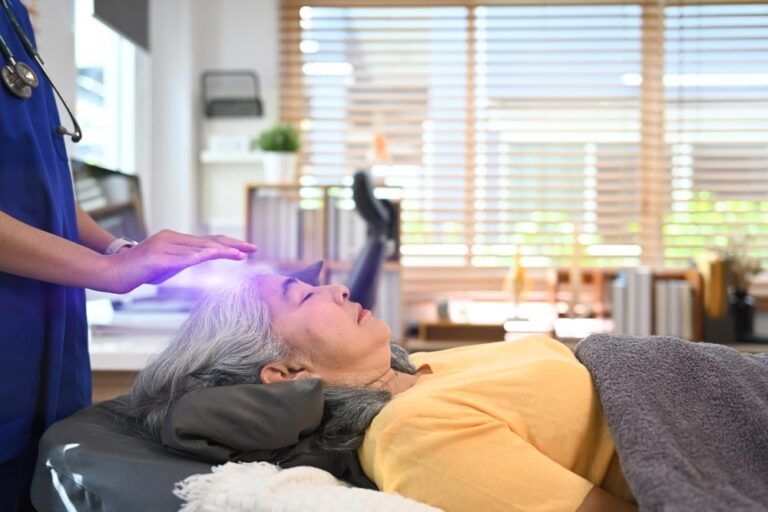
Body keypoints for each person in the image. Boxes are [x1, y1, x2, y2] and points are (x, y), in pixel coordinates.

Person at [0, 1, 256, 510]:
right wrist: (110, 270)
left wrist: (120, 248)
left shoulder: (15, 19)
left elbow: (41, 187)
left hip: (45, 335)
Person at [129, 269, 638, 512]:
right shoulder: (410, 432)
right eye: (305, 295)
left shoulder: (421, 367)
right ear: (284, 373)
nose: (340, 288)